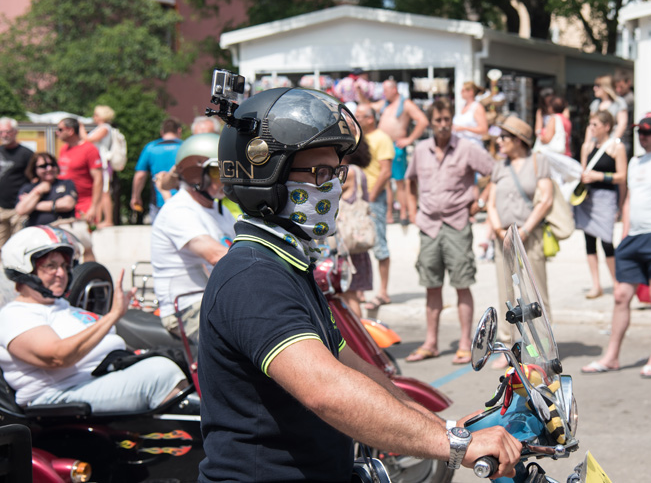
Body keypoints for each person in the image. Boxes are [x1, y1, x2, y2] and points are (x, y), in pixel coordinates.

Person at [200, 87, 521, 481]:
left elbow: (355, 370)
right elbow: (326, 388)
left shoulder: (288, 265)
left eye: (337, 173)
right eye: (319, 173)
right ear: (266, 173)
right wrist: (457, 447)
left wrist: (448, 428)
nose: (335, 186)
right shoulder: (252, 276)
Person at [0, 226, 187, 413]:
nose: (62, 273)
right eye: (51, 266)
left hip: (97, 379)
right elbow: (57, 356)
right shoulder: (16, 314)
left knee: (183, 361)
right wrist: (113, 316)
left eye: (65, 266)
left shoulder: (62, 306)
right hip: (59, 395)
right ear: (25, 268)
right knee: (160, 374)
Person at [582, 114, 651, 378]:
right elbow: (627, 200)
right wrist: (625, 233)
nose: (643, 137)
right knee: (620, 296)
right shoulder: (635, 161)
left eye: (649, 132)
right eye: (640, 132)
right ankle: (611, 356)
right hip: (633, 238)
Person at [405, 99, 495, 364]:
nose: (443, 125)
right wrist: (412, 210)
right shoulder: (421, 150)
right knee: (431, 286)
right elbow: (409, 181)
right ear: (430, 123)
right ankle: (431, 342)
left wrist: (479, 200)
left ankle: (466, 343)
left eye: (447, 119)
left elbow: (493, 171)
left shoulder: (466, 148)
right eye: (438, 120)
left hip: (457, 225)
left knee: (461, 284)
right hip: (428, 226)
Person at [150, 133, 235, 344]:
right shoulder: (178, 210)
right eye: (218, 172)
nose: (225, 179)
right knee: (245, 340)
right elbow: (216, 255)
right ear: (196, 175)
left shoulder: (219, 210)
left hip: (215, 299)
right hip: (187, 306)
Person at [485, 115, 552, 358]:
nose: (499, 142)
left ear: (519, 140)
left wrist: (522, 232)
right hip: (503, 238)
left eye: (504, 137)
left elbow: (546, 199)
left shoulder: (537, 161)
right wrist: (501, 232)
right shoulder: (499, 167)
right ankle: (508, 347)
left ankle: (541, 348)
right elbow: (490, 203)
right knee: (507, 294)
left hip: (529, 237)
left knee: (535, 293)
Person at [574, 110, 627, 300]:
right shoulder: (587, 147)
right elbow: (582, 172)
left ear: (606, 126)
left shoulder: (616, 148)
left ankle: (616, 282)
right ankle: (596, 284)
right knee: (589, 242)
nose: (591, 128)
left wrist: (599, 176)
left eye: (595, 124)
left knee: (606, 240)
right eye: (590, 124)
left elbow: (622, 176)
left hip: (606, 197)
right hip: (588, 198)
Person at [374, 79, 430, 225]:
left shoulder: (405, 104)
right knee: (385, 181)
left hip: (397, 145)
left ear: (394, 90)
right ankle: (389, 213)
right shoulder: (385, 104)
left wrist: (409, 139)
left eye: (386, 90)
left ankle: (404, 212)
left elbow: (423, 121)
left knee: (400, 182)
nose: (384, 93)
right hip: (383, 146)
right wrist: (359, 91)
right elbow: (367, 105)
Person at [354, 104, 394, 309]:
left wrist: (371, 197)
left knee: (379, 245)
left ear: (371, 119)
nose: (356, 117)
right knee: (357, 243)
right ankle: (359, 290)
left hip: (373, 199)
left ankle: (383, 292)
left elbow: (385, 172)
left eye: (360, 115)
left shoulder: (382, 138)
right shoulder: (358, 138)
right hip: (358, 199)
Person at [56, 117, 102, 260]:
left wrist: (93, 207)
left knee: (85, 245)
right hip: (66, 206)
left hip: (84, 205)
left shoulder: (89, 149)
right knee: (68, 247)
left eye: (60, 129)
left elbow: (99, 179)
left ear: (70, 131)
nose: (57, 133)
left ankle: (89, 277)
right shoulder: (64, 149)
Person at [338, 141, 374, 318]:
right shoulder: (360, 172)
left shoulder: (349, 172)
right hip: (356, 244)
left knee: (349, 295)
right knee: (353, 294)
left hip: (347, 245)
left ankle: (356, 337)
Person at [130, 117, 183, 220]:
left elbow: (140, 176)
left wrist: (135, 196)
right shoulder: (185, 146)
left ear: (162, 132)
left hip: (158, 201)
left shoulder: (151, 147)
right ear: (179, 130)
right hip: (183, 199)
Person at [15, 153, 78, 227]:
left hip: (61, 229)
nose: (49, 168)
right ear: (34, 169)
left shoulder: (66, 183)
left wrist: (34, 205)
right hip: (36, 231)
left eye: (52, 165)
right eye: (43, 166)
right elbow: (21, 210)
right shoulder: (28, 188)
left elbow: (67, 204)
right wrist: (38, 191)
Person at [0, 117, 33, 247]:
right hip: (1, 208)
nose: (4, 135)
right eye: (1, 132)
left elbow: (34, 179)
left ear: (15, 132)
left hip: (18, 209)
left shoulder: (26, 154)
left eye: (8, 132)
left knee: (18, 245)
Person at [84, 105, 115, 228]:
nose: (94, 117)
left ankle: (108, 220)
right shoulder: (102, 128)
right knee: (100, 191)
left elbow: (88, 140)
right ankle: (100, 218)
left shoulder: (105, 128)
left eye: (96, 115)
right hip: (99, 163)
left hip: (103, 163)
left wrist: (81, 129)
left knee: (105, 191)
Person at [590, 75, 628, 142]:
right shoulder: (595, 104)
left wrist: (612, 142)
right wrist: (587, 143)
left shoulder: (618, 103)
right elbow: (590, 126)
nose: (594, 88)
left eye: (598, 86)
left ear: (606, 87)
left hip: (612, 143)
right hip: (596, 142)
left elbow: (622, 124)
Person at [452, 81, 489, 147]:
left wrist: (464, 128)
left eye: (463, 91)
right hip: (460, 145)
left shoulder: (477, 107)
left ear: (471, 92)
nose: (461, 93)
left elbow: (483, 129)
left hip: (472, 145)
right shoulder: (462, 106)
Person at [614, 71, 635, 159]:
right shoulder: (619, 99)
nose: (618, 90)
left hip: (625, 138)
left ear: (628, 83)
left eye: (621, 87)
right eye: (616, 87)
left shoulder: (629, 99)